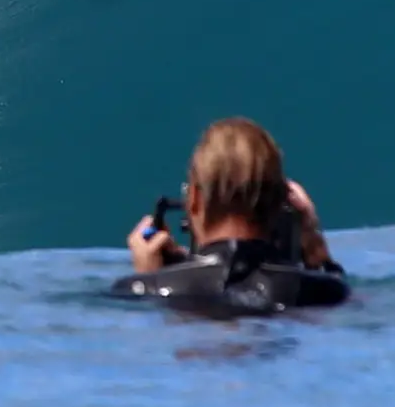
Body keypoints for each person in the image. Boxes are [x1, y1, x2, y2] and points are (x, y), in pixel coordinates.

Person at [125, 115, 342, 307]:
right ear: (280, 204)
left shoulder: (145, 289)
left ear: (194, 199)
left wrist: (150, 281)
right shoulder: (325, 292)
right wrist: (317, 253)